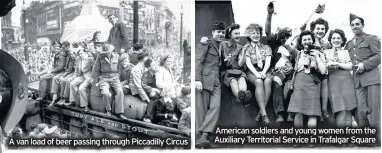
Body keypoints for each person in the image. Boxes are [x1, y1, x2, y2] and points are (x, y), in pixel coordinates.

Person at [287, 31, 327, 148]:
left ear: (313, 40)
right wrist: (297, 34)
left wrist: (317, 57)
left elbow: (323, 71)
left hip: (312, 83)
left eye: (309, 39)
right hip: (299, 82)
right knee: (298, 112)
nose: (307, 42)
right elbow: (288, 43)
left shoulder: (319, 53)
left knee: (312, 113)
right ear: (301, 41)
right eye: (304, 39)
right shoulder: (298, 53)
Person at [345, 14, 380, 145]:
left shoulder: (371, 38)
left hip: (372, 79)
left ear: (362, 25)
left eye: (357, 24)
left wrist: (364, 65)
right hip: (357, 81)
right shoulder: (348, 43)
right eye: (353, 25)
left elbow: (379, 56)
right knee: (361, 111)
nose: (355, 26)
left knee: (374, 111)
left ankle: (377, 141)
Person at [195, 21, 225, 148]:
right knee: (201, 109)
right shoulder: (206, 43)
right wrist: (197, 79)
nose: (221, 34)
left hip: (216, 82)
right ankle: (200, 139)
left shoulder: (221, 46)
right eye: (218, 32)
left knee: (215, 107)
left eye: (223, 32)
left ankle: (204, 136)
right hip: (204, 80)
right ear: (213, 32)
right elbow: (198, 60)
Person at [264, 2, 294, 123]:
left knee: (293, 85)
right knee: (277, 84)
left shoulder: (293, 45)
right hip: (278, 71)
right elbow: (267, 30)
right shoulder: (274, 43)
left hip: (292, 71)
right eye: (282, 37)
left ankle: (292, 113)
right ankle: (280, 114)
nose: (284, 40)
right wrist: (269, 15)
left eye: (287, 37)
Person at [324, 29, 357, 128]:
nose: (336, 40)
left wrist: (337, 63)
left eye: (338, 38)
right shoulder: (325, 52)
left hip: (347, 81)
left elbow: (350, 66)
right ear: (330, 40)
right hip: (333, 82)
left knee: (348, 109)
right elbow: (323, 66)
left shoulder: (346, 52)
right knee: (339, 109)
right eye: (333, 38)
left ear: (342, 40)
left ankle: (349, 139)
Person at [243, 23, 273, 125]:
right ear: (249, 35)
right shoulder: (247, 47)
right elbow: (248, 62)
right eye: (253, 33)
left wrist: (264, 72)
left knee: (268, 80)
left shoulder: (266, 47)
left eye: (258, 33)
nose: (256, 35)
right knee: (259, 82)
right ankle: (264, 114)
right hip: (252, 70)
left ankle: (261, 112)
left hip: (265, 68)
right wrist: (257, 74)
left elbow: (268, 61)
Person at [92, 44, 127, 120]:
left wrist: (117, 75)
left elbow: (119, 68)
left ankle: (119, 112)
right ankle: (108, 109)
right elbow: (95, 70)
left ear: (111, 51)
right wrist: (97, 80)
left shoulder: (116, 56)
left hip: (115, 78)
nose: (106, 53)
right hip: (104, 78)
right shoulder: (100, 57)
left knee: (120, 91)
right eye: (104, 52)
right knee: (105, 93)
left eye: (107, 52)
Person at [49, 42, 76, 106]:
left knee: (63, 80)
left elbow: (69, 69)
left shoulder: (71, 55)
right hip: (66, 71)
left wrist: (63, 75)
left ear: (67, 47)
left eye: (63, 48)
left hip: (72, 72)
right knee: (56, 78)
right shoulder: (65, 54)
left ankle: (64, 98)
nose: (62, 49)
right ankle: (57, 97)